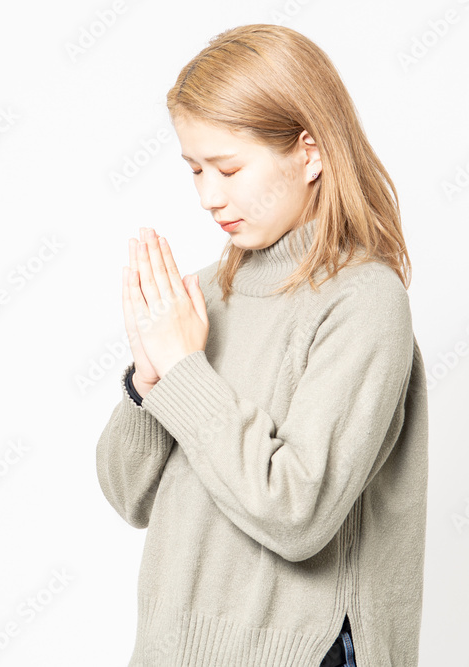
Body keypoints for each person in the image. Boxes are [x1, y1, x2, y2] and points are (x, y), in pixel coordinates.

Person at [96, 23, 429, 667]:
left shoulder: (363, 301)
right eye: (194, 169)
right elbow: (128, 496)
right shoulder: (200, 298)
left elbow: (297, 514)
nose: (208, 196)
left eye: (228, 168)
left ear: (310, 153)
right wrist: (148, 380)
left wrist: (185, 368)